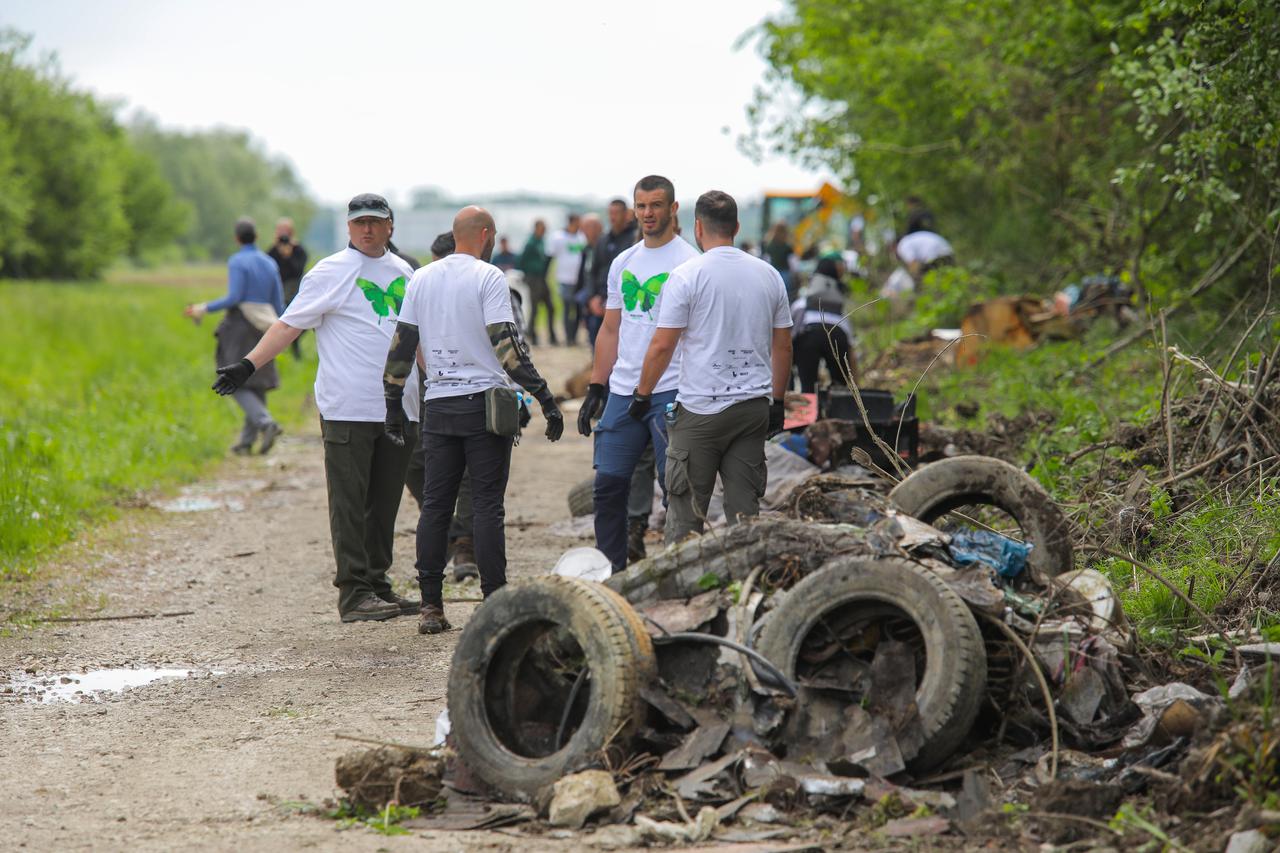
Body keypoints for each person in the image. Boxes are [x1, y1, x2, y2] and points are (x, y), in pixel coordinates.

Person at [210, 193, 419, 623]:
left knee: (384, 502)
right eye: (359, 222)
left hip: (400, 407)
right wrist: (249, 365)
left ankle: (378, 584)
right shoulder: (329, 272)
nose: (366, 229)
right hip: (347, 406)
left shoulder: (406, 273)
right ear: (348, 227)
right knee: (349, 501)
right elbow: (289, 324)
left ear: (389, 227)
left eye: (375, 222)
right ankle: (354, 592)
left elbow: (420, 339)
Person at [383, 206, 564, 634]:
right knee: (486, 507)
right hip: (484, 407)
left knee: (436, 507)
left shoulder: (421, 278)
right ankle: (494, 604)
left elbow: (402, 346)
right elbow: (507, 347)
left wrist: (393, 403)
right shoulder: (489, 277)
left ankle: (431, 605)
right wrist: (545, 397)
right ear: (484, 234)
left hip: (439, 405)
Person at [635, 190, 793, 541]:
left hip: (701, 410)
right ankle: (744, 586)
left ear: (698, 227)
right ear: (736, 226)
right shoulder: (769, 275)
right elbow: (782, 345)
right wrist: (778, 402)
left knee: (685, 515)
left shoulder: (687, 275)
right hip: (752, 409)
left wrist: (642, 393)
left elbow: (662, 345)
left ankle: (677, 589)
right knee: (745, 517)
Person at [577, 175, 698, 572]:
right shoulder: (623, 262)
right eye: (642, 206)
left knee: (676, 489)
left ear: (673, 209)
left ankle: (680, 573)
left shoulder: (690, 263)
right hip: (624, 391)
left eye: (656, 205)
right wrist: (597, 384)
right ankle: (611, 574)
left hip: (672, 391)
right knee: (608, 486)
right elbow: (611, 328)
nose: (648, 213)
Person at [401, 231, 480, 582]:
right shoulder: (422, 284)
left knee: (467, 476)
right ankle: (448, 532)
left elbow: (512, 343)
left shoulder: (486, 286)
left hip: (473, 395)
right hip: (428, 393)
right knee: (417, 465)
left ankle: (464, 542)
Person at [186, 217, 286, 455]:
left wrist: (203, 307)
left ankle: (265, 422)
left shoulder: (238, 261)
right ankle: (245, 443)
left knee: (233, 377)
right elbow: (278, 302)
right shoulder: (269, 262)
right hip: (266, 326)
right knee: (257, 378)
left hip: (239, 326)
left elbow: (234, 297)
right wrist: (284, 329)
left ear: (237, 238)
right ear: (257, 237)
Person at [791, 254, 857, 392]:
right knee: (839, 386)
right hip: (838, 334)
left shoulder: (800, 305)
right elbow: (851, 352)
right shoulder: (840, 310)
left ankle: (808, 407)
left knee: (807, 386)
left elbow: (789, 337)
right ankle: (838, 405)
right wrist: (856, 388)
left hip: (807, 336)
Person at [584, 199, 638, 346]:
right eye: (610, 213)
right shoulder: (602, 240)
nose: (613, 217)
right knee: (596, 344)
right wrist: (592, 298)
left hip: (622, 304)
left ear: (626, 214)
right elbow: (592, 271)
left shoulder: (635, 239)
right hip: (599, 301)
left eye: (616, 213)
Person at [267, 218, 309, 360]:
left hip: (296, 292)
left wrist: (288, 255)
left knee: (301, 324)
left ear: (292, 233)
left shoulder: (299, 250)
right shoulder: (272, 251)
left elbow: (298, 271)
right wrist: (277, 250)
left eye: (286, 232)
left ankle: (294, 343)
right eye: (280, 232)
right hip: (277, 292)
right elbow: (268, 269)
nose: (283, 235)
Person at [547, 213, 587, 345]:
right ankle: (568, 336)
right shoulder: (558, 237)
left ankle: (573, 336)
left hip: (580, 280)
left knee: (577, 308)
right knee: (567, 307)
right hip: (564, 279)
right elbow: (550, 256)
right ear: (572, 222)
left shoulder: (582, 237)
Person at [517, 220, 555, 345]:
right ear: (536, 229)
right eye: (542, 228)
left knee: (550, 307)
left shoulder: (541, 241)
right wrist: (526, 275)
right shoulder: (531, 243)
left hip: (541, 278)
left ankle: (552, 336)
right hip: (533, 278)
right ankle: (532, 335)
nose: (544, 231)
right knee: (534, 308)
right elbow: (521, 261)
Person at [764, 221, 795, 297]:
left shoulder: (769, 246)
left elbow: (766, 261)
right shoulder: (788, 247)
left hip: (773, 274)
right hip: (785, 274)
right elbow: (793, 264)